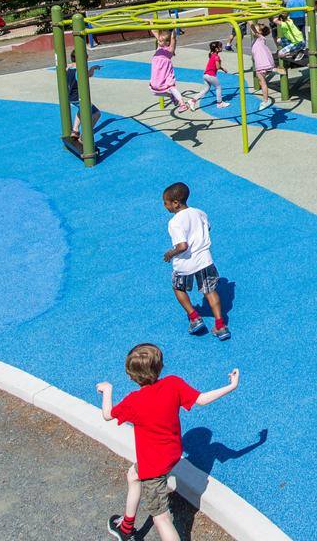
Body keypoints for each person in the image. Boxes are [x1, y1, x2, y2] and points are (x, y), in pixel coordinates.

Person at [97, 344, 241, 541]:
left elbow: (107, 415)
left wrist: (107, 390)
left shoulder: (134, 401)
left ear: (132, 376)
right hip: (171, 455)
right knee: (132, 475)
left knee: (162, 518)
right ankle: (126, 526)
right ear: (160, 367)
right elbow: (200, 399)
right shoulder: (173, 384)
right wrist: (231, 386)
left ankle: (127, 530)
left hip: (153, 467)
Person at [162, 182, 227, 340]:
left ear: (176, 203)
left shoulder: (175, 222)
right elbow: (208, 228)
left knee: (178, 288)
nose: (165, 206)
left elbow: (182, 245)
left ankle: (194, 317)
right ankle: (220, 326)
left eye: (166, 202)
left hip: (185, 264)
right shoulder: (200, 213)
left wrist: (170, 253)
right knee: (210, 292)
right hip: (205, 260)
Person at [148, 29, 199, 112]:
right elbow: (154, 32)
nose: (158, 42)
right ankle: (171, 96)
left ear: (167, 43)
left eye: (160, 41)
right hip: (156, 73)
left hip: (165, 72)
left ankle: (182, 104)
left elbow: (173, 39)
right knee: (154, 91)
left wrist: (173, 29)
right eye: (158, 40)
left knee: (171, 87)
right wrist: (150, 23)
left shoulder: (169, 49)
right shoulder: (159, 46)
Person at [65, 63, 101, 138]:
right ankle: (85, 135)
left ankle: (75, 131)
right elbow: (89, 74)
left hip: (71, 96)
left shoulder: (68, 67)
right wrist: (93, 68)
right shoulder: (80, 69)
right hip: (79, 97)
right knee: (96, 113)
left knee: (81, 109)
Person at [248, 19, 278, 106]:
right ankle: (272, 69)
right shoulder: (260, 39)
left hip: (262, 64)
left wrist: (247, 18)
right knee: (262, 82)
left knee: (262, 82)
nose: (253, 31)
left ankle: (265, 100)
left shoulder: (259, 37)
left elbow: (252, 27)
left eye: (256, 29)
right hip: (265, 63)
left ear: (260, 32)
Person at [201, 41, 230, 109]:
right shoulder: (216, 56)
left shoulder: (212, 54)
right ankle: (219, 103)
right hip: (211, 75)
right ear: (217, 49)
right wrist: (222, 67)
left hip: (205, 74)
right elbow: (217, 67)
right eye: (220, 47)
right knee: (218, 87)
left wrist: (222, 68)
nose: (222, 48)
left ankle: (193, 100)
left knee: (206, 89)